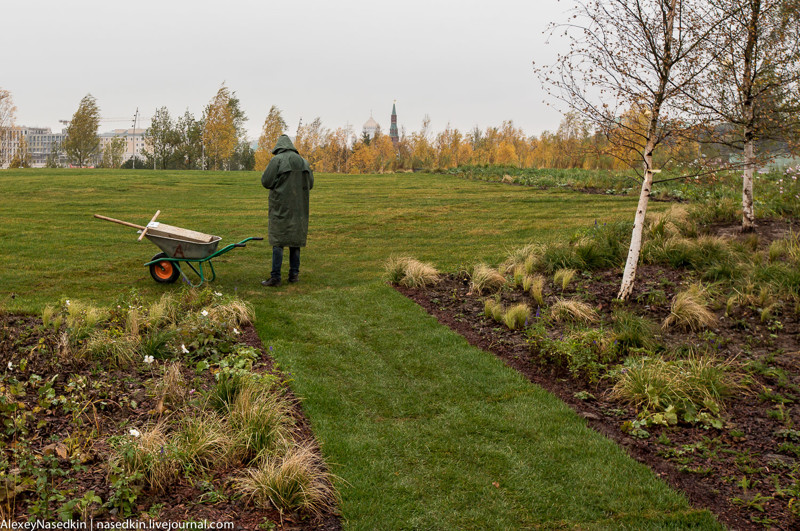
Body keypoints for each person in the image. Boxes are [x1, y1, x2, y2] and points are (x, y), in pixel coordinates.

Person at [260, 134, 314, 287]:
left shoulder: (276, 160)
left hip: (281, 207)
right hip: (299, 208)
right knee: (295, 241)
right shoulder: (304, 162)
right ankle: (294, 275)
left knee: (278, 241)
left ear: (279, 147)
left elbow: (266, 181)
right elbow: (310, 184)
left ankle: (276, 277)